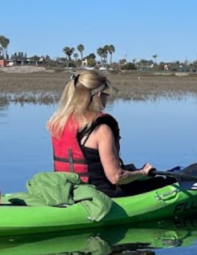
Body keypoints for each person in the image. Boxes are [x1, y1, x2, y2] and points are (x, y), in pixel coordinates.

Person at [47, 70, 169, 198]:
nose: (107, 98)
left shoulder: (57, 123)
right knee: (163, 182)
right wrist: (143, 172)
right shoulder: (101, 129)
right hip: (101, 194)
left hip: (68, 190)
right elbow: (117, 177)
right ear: (99, 95)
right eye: (107, 94)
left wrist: (134, 172)